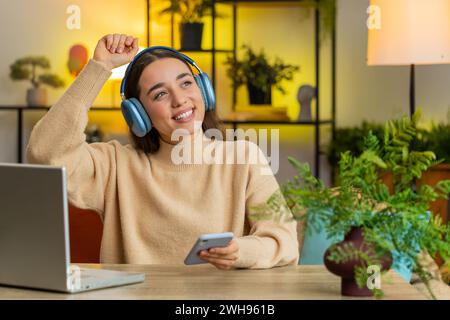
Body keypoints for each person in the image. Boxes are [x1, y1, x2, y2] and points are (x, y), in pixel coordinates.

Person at [26, 33, 299, 270]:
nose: (180, 100)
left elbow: (284, 242)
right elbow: (45, 153)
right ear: (138, 114)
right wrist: (99, 68)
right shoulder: (115, 165)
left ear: (204, 90)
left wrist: (241, 251)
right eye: (160, 94)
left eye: (186, 83)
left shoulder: (244, 157)